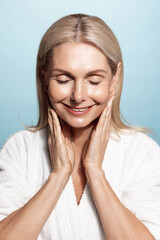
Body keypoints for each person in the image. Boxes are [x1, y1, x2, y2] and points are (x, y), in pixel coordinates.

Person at [0, 13, 159, 240]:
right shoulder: (20, 150)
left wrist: (95, 170)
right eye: (63, 79)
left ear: (115, 78)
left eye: (94, 80)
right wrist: (58, 176)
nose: (78, 96)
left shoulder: (141, 153)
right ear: (44, 78)